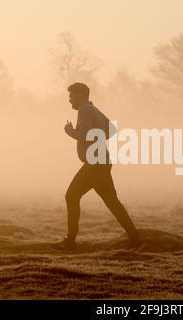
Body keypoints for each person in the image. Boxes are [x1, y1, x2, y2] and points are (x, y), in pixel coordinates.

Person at [51, 83, 142, 251]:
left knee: (71, 196)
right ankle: (135, 239)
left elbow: (85, 135)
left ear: (81, 95)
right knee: (111, 201)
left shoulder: (84, 110)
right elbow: (111, 130)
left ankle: (70, 242)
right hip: (101, 162)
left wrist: (70, 131)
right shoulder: (93, 110)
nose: (69, 99)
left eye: (72, 95)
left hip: (95, 164)